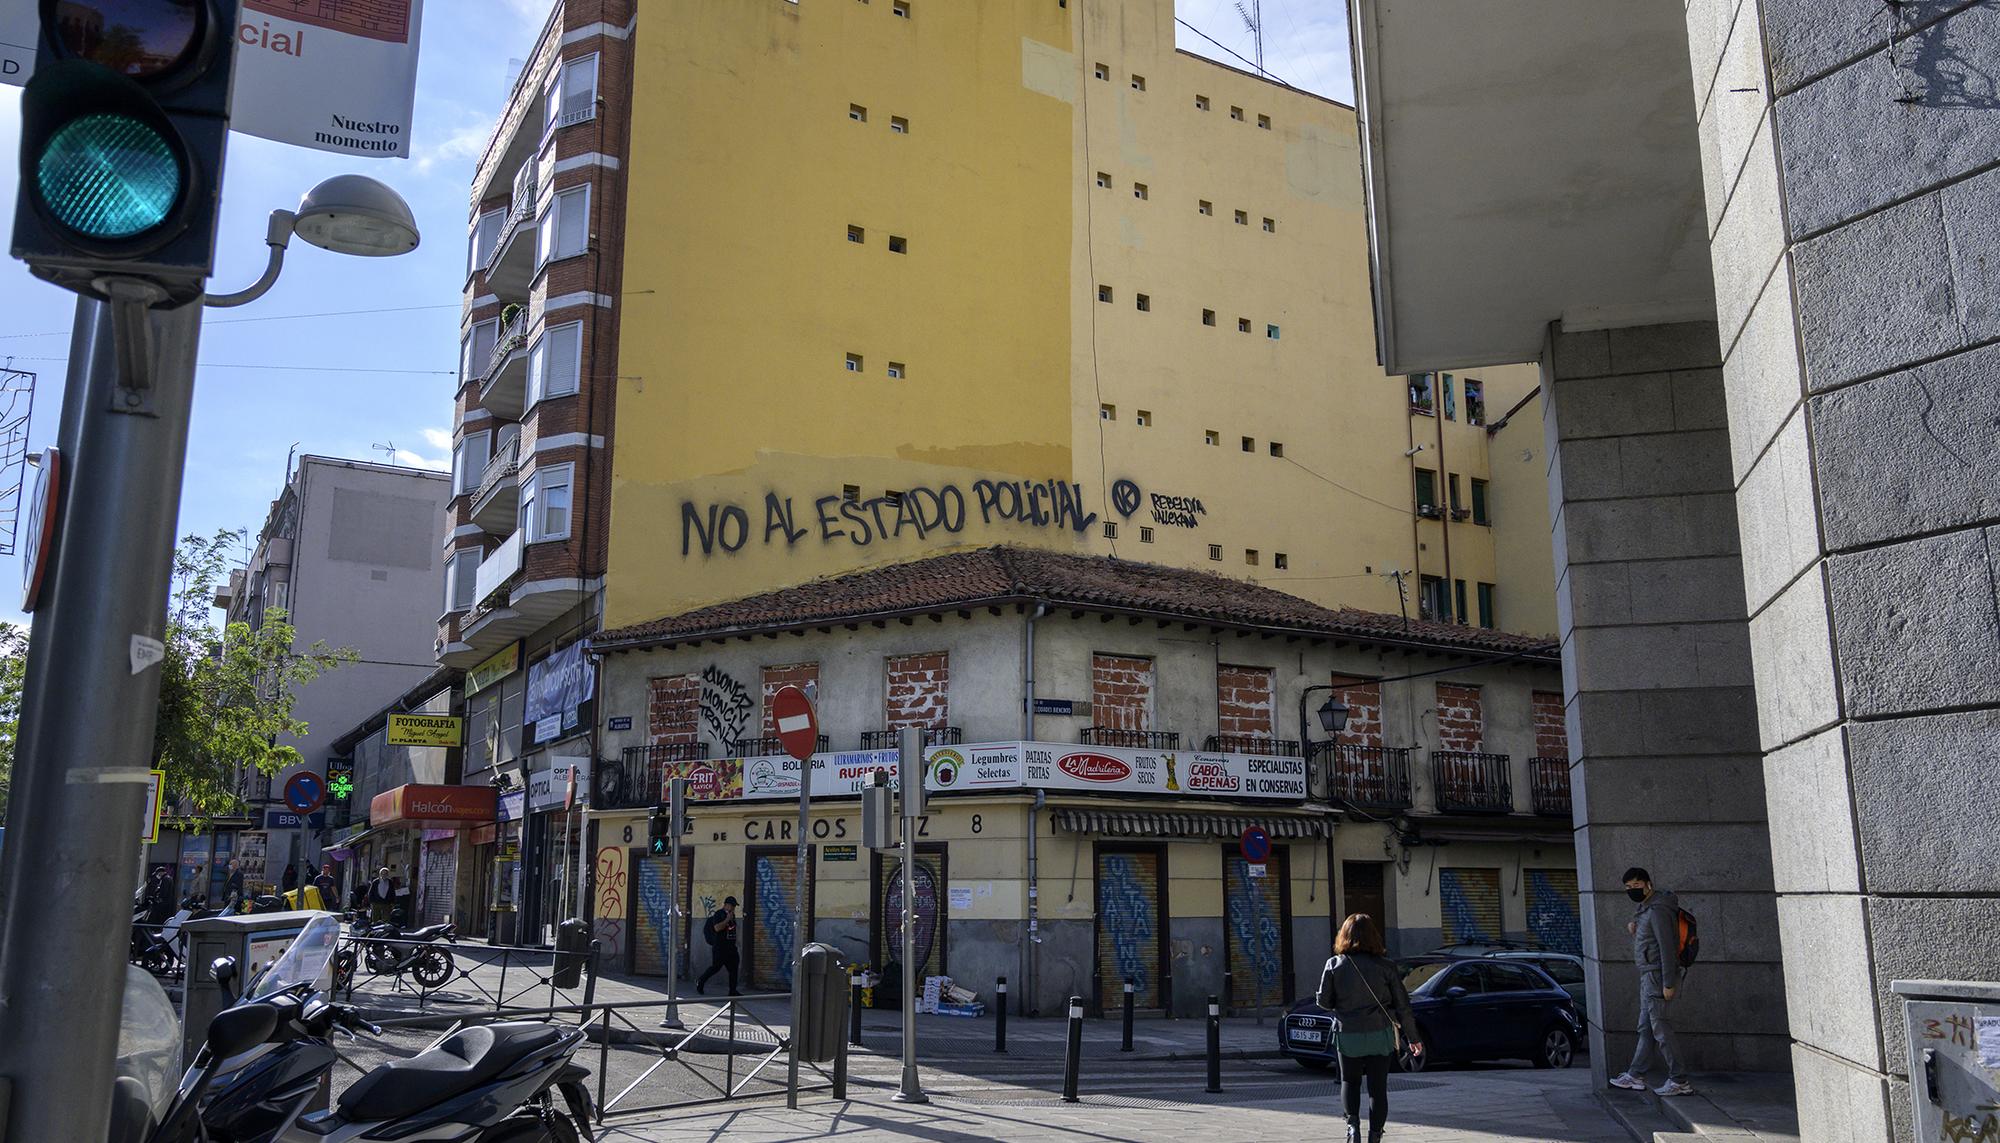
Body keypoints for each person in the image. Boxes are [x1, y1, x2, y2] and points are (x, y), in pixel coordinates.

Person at [1317, 914, 1422, 1143]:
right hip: (1379, 1033)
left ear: (1344, 935)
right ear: (1374, 936)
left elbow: (1324, 1002)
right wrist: (1413, 1038)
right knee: (1378, 1088)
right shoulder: (1387, 966)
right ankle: (1375, 1136)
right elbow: (1403, 1005)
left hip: (1347, 1033)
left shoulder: (1334, 964)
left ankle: (1353, 1129)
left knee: (1349, 1081)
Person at [1608, 866, 1692, 1097]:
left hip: (1657, 976)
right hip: (1649, 975)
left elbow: (1667, 947)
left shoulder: (1657, 910)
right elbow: (1652, 942)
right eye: (1627, 887)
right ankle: (1636, 1074)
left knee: (1661, 1030)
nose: (1632, 890)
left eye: (1636, 885)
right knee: (1646, 1028)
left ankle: (1679, 1080)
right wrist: (1636, 931)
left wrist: (1668, 983)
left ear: (1648, 884)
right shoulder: (1646, 910)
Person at [696, 896, 741, 996]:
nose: (733, 908)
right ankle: (701, 981)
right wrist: (726, 920)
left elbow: (733, 929)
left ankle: (732, 990)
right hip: (720, 947)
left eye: (734, 906)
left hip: (731, 947)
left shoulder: (732, 915)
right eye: (731, 906)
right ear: (726, 905)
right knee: (716, 967)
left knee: (734, 968)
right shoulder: (718, 914)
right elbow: (717, 928)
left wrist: (737, 941)